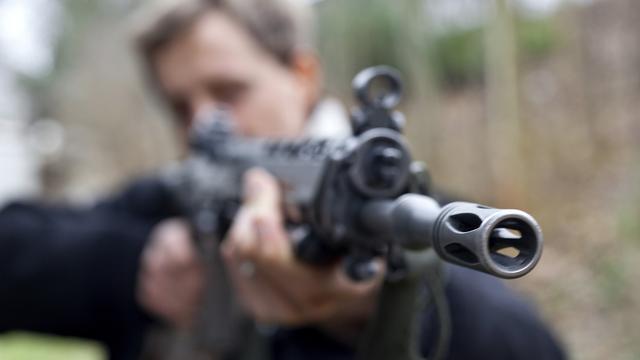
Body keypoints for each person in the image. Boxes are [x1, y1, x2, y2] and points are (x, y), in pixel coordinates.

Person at [0, 0, 565, 359]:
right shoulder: (165, 200)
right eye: (179, 104)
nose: (203, 122)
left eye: (228, 91)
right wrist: (129, 264)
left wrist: (368, 314)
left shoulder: (409, 214)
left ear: (302, 75)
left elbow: (527, 345)